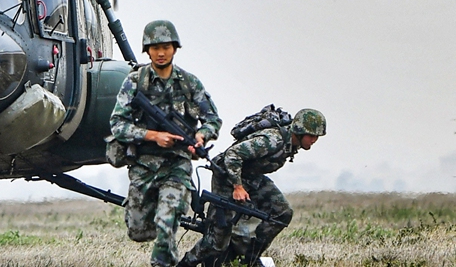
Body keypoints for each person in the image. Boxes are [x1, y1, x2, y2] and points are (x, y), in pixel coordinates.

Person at [109, 20, 222, 267]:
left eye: (166, 47)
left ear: (175, 48)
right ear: (147, 50)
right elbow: (117, 124)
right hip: (143, 165)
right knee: (138, 229)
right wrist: (152, 136)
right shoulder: (135, 82)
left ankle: (162, 263)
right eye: (155, 47)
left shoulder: (189, 83)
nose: (161, 53)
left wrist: (201, 136)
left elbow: (213, 119)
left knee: (167, 220)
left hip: (176, 164)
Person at [179, 108, 327, 267]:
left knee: (282, 212)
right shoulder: (272, 140)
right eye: (311, 136)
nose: (314, 140)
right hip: (228, 177)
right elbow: (233, 155)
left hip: (252, 178)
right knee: (216, 241)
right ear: (299, 131)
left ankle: (248, 258)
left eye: (317, 137)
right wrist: (237, 187)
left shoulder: (290, 143)